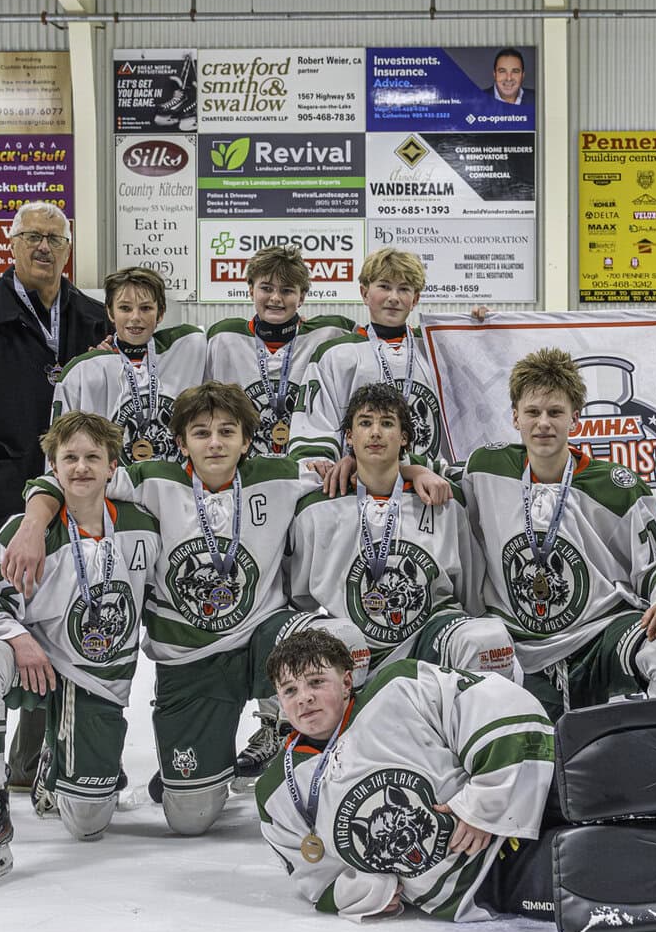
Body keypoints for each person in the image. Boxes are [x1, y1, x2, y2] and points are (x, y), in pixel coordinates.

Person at [3, 382, 433, 830]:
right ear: (181, 441)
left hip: (263, 641)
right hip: (190, 664)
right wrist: (34, 523)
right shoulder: (151, 481)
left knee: (338, 639)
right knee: (191, 820)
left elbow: (368, 467)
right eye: (201, 432)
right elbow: (69, 476)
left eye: (227, 432)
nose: (215, 442)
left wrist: (414, 470)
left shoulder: (279, 475)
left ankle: (338, 764)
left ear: (247, 440)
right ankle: (184, 771)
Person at [0, 201, 110, 789]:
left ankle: (28, 760)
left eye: (54, 240)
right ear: (10, 245)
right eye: (32, 238)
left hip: (74, 498)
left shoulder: (92, 316)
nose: (44, 248)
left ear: (68, 249)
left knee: (57, 625)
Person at [0, 411, 162, 885]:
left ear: (112, 467)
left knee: (88, 825)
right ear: (53, 468)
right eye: (69, 459)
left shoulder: (143, 526)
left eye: (92, 458)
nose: (81, 468)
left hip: (97, 681)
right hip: (35, 665)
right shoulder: (26, 529)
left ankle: (54, 761)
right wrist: (18, 637)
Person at [458, 349, 656, 719]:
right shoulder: (485, 468)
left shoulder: (618, 487)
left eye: (555, 412)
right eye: (533, 412)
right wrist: (415, 472)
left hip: (601, 634)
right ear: (514, 417)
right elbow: (414, 475)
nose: (543, 423)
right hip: (522, 645)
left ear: (575, 418)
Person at [255, 630, 554, 921]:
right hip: (477, 890)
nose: (304, 698)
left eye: (316, 682)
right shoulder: (275, 790)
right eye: (290, 690)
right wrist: (363, 891)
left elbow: (499, 706)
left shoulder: (398, 688)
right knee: (585, 876)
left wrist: (484, 803)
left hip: (518, 821)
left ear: (347, 681)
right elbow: (316, 876)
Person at [288, 383, 516, 678]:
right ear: (349, 436)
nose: (375, 433)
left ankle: (471, 718)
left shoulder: (443, 501)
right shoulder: (315, 508)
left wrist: (418, 470)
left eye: (387, 423)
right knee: (334, 640)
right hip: (355, 642)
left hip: (432, 636)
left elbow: (470, 591)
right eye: (365, 423)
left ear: (404, 438)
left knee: (486, 640)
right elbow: (299, 596)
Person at [291, 248, 450, 469]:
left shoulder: (436, 348)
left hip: (428, 485)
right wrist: (319, 461)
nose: (393, 298)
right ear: (365, 293)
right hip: (357, 483)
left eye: (404, 289)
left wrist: (479, 325)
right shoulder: (336, 354)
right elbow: (316, 424)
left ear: (415, 299)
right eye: (384, 286)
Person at [205, 245, 355, 459]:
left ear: (301, 297)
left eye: (286, 290)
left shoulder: (330, 333)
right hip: (243, 470)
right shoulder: (223, 338)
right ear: (250, 290)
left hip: (309, 468)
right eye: (266, 288)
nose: (275, 298)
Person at [53, 266, 206, 465]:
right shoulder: (83, 371)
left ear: (160, 313)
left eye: (146, 308)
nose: (135, 317)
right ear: (109, 312)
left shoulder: (189, 349)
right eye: (125, 308)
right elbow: (57, 449)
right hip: (111, 491)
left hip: (173, 489)